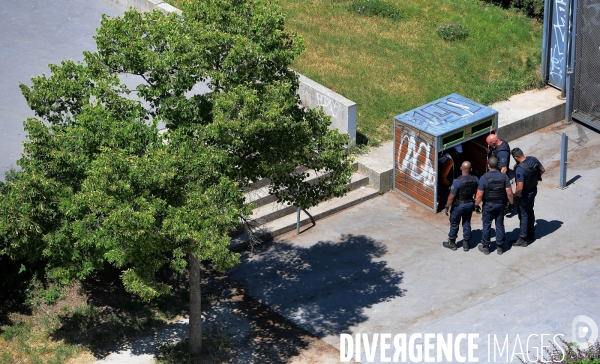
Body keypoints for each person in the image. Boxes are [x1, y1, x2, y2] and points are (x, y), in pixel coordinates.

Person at [474, 157, 514, 255]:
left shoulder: (484, 178)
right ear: (498, 166)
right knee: (499, 224)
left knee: (486, 225)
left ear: (488, 165)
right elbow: (509, 193)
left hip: (488, 205)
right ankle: (500, 247)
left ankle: (486, 247)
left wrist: (476, 205)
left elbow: (479, 195)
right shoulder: (504, 177)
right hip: (500, 204)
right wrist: (511, 204)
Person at [511, 148, 545, 247]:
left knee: (524, 215)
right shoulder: (533, 159)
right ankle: (531, 233)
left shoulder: (520, 169)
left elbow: (520, 187)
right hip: (533, 190)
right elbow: (542, 170)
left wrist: (514, 195)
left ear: (515, 158)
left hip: (524, 195)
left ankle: (522, 238)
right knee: (530, 211)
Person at [443, 161, 479, 252]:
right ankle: (466, 243)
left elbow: (451, 196)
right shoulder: (475, 179)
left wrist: (447, 206)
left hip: (458, 206)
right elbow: (478, 191)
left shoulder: (457, 182)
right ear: (471, 169)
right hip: (469, 204)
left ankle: (452, 243)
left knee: (454, 224)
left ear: (460, 168)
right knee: (466, 222)